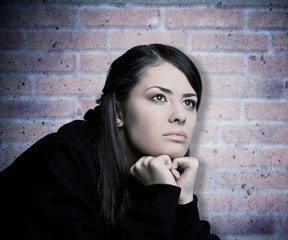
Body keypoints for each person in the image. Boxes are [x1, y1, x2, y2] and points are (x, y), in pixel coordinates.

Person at [0, 44, 220, 240]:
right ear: (118, 111)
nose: (180, 115)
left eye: (189, 103)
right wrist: (160, 197)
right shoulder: (59, 159)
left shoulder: (157, 174)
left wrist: (183, 202)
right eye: (159, 97)